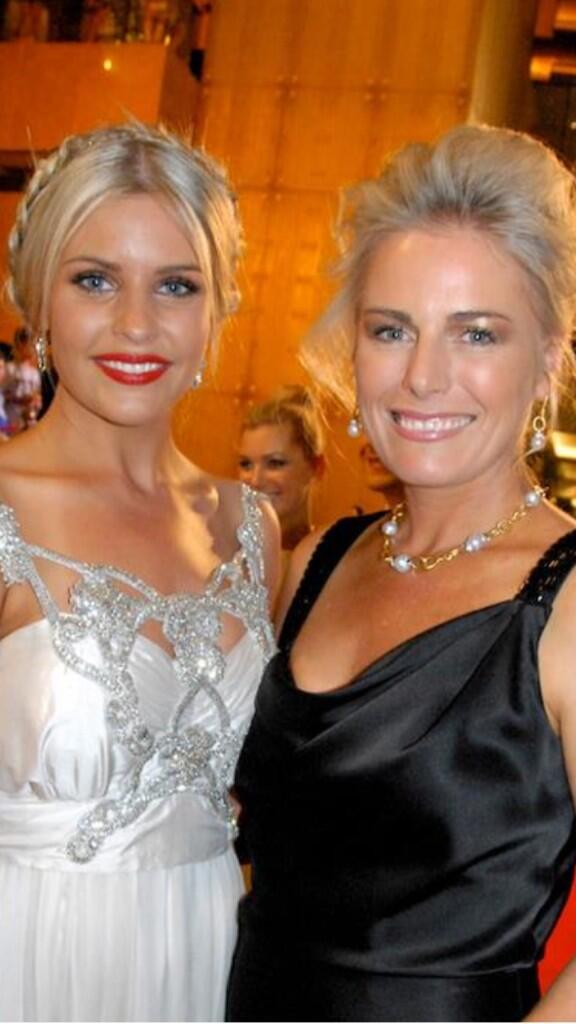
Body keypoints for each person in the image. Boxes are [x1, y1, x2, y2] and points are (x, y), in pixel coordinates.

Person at [226, 124, 576, 1022]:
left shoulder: (567, 601)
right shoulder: (318, 559)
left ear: (547, 357)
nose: (423, 377)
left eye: (476, 334)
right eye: (391, 330)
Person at [0, 121, 280, 1023]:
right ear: (37, 297)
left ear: (216, 310)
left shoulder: (251, 528)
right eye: (95, 279)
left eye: (176, 285)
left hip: (205, 952)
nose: (135, 322)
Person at [237, 385, 325, 552]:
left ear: (316, 467)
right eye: (246, 464)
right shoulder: (220, 552)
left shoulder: (335, 559)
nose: (255, 481)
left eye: (275, 463)